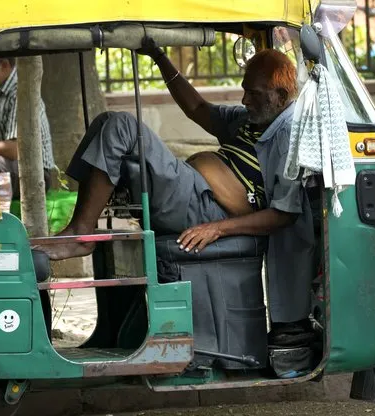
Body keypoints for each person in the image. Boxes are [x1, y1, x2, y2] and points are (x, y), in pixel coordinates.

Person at [36, 39, 316, 343]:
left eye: (254, 93)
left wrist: (218, 228)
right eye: (244, 89)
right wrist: (158, 57)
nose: (245, 99)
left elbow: (284, 215)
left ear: (282, 96)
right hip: (192, 193)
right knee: (106, 121)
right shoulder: (250, 120)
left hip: (208, 206)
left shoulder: (290, 135)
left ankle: (81, 233)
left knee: (122, 125)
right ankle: (85, 218)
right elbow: (197, 107)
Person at [0, 57, 56, 198]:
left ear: (4, 65)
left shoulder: (21, 93)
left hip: (34, 172)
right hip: (5, 165)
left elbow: (17, 149)